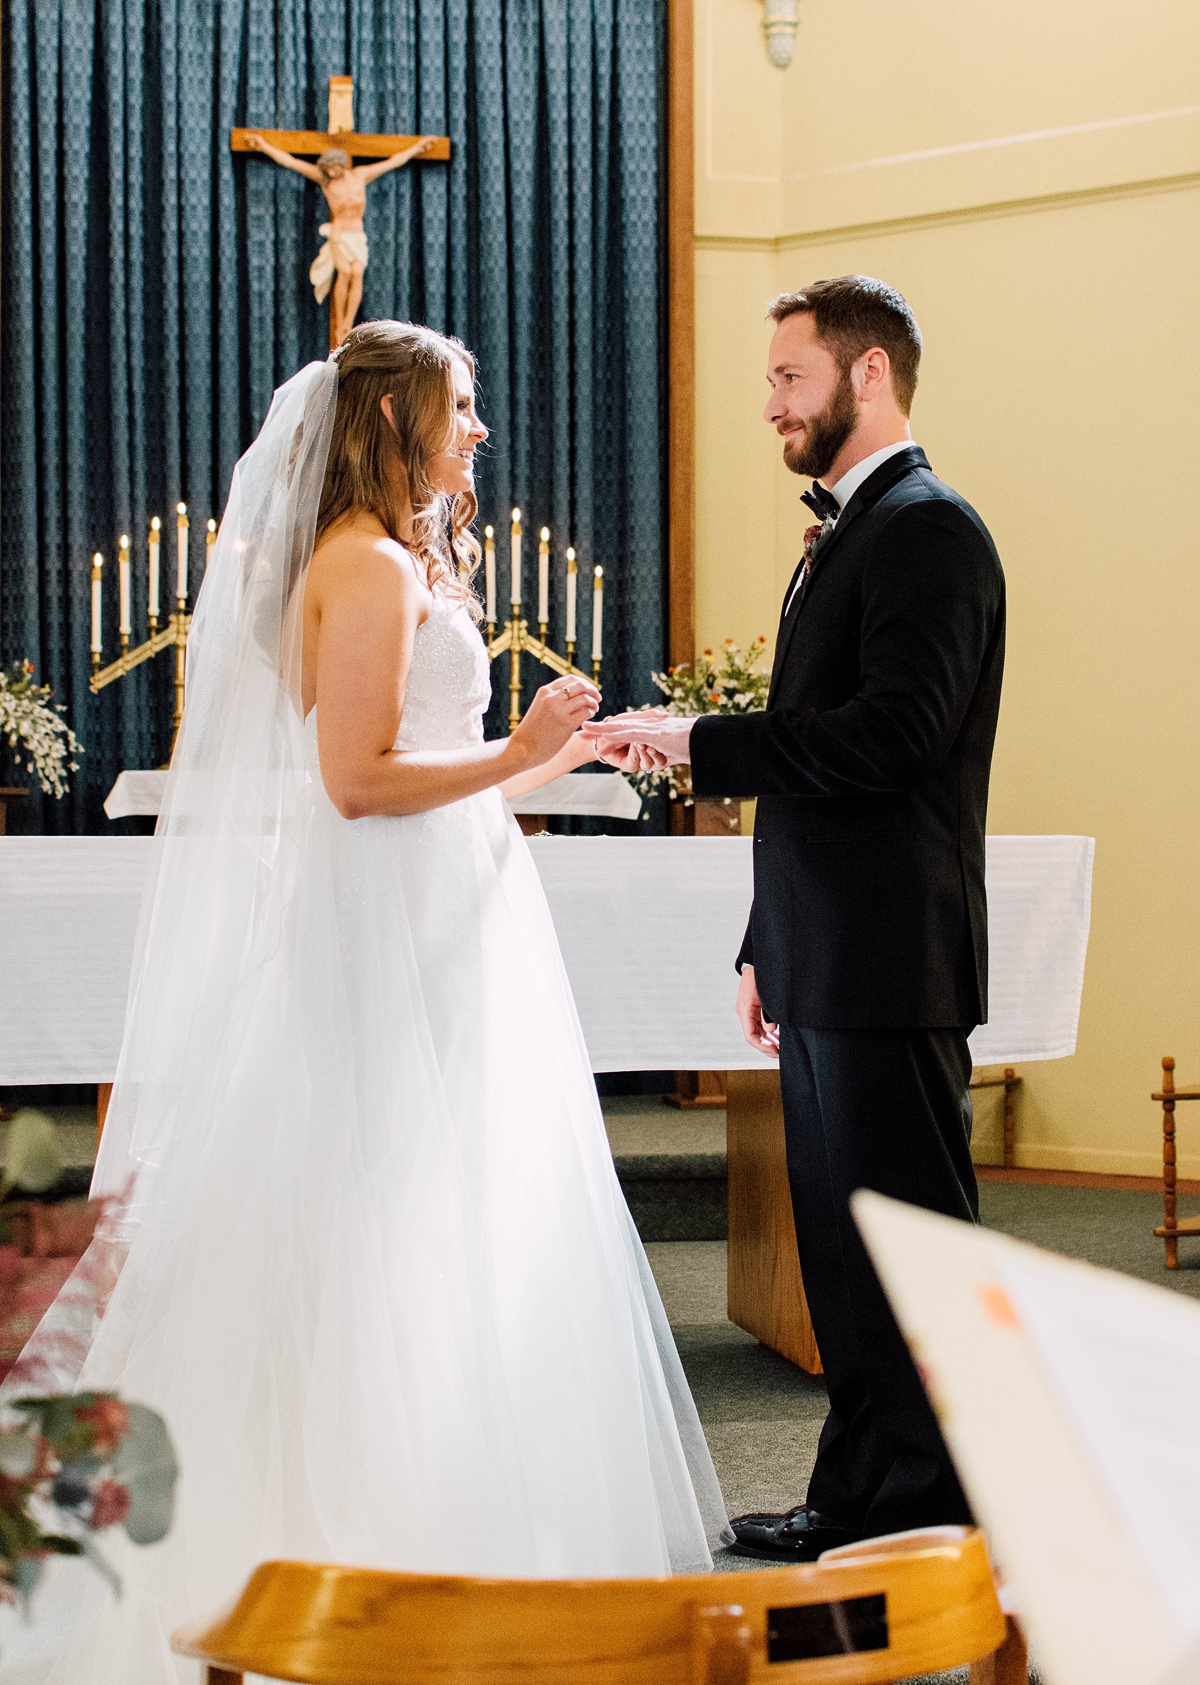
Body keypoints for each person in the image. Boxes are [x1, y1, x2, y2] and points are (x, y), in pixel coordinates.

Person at [15, 321, 729, 1680]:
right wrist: (509, 753)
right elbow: (354, 786)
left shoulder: (398, 562)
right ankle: (344, 1542)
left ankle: (454, 1520)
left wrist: (553, 759)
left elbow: (432, 783)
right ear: (393, 422)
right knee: (377, 1216)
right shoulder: (358, 564)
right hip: (386, 930)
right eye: (459, 408)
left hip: (448, 914)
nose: (478, 432)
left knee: (450, 1215)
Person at [589, 276, 1006, 1559]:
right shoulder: (849, 533)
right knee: (841, 1255)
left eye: (789, 378)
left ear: (867, 375)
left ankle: (948, 1512)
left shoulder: (930, 531)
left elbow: (891, 740)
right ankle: (859, 1497)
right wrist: (766, 942)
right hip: (829, 955)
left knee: (909, 1254)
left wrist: (694, 740)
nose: (771, 403)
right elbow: (823, 779)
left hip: (891, 958)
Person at [244, 135, 433, 345]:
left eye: (334, 167)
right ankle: (339, 325)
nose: (331, 172)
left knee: (357, 272)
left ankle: (347, 322)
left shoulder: (360, 175)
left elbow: (392, 162)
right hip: (339, 234)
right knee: (345, 272)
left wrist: (417, 148)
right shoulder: (325, 181)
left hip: (357, 234)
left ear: (342, 164)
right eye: (328, 169)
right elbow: (290, 161)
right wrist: (263, 145)